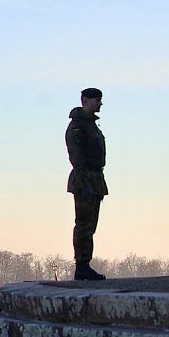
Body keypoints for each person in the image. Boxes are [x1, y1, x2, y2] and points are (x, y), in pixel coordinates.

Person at [66, 87, 108, 281]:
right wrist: (86, 181)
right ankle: (81, 265)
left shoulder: (90, 125)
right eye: (97, 100)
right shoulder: (78, 126)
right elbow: (76, 155)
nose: (100, 103)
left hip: (95, 179)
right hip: (85, 181)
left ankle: (85, 264)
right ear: (85, 100)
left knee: (90, 225)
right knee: (83, 224)